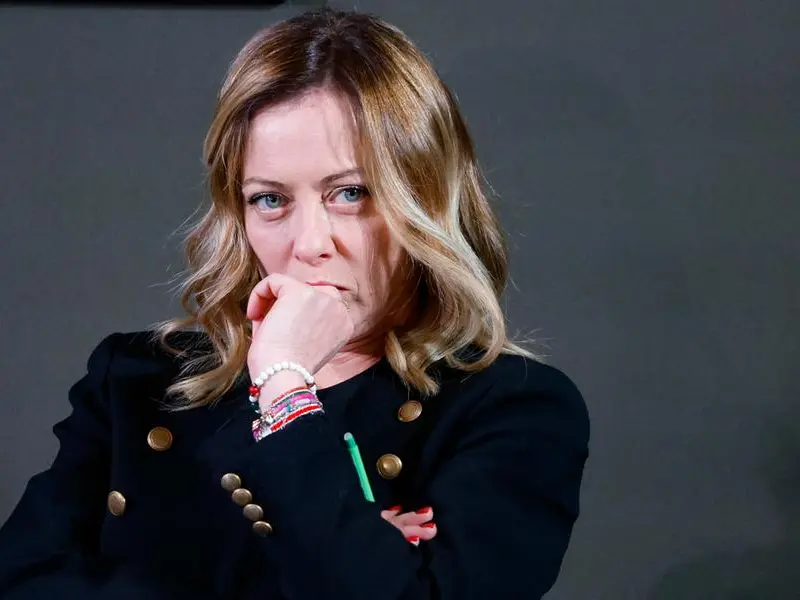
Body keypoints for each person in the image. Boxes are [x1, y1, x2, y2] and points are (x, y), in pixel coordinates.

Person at [0, 8, 589, 600]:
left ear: (426, 198)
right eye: (270, 199)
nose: (309, 245)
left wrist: (285, 387)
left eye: (351, 193)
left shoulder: (512, 408)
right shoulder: (136, 380)